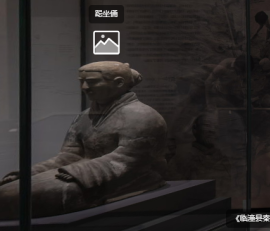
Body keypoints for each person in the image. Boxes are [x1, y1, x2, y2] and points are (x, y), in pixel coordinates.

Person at [0, 62, 167, 219]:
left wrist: (78, 172)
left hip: (126, 177)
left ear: (119, 83)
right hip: (82, 172)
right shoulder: (85, 116)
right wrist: (32, 172)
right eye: (82, 81)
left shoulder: (142, 116)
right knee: (10, 189)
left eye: (92, 82)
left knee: (18, 197)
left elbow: (128, 160)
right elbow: (70, 154)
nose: (85, 87)